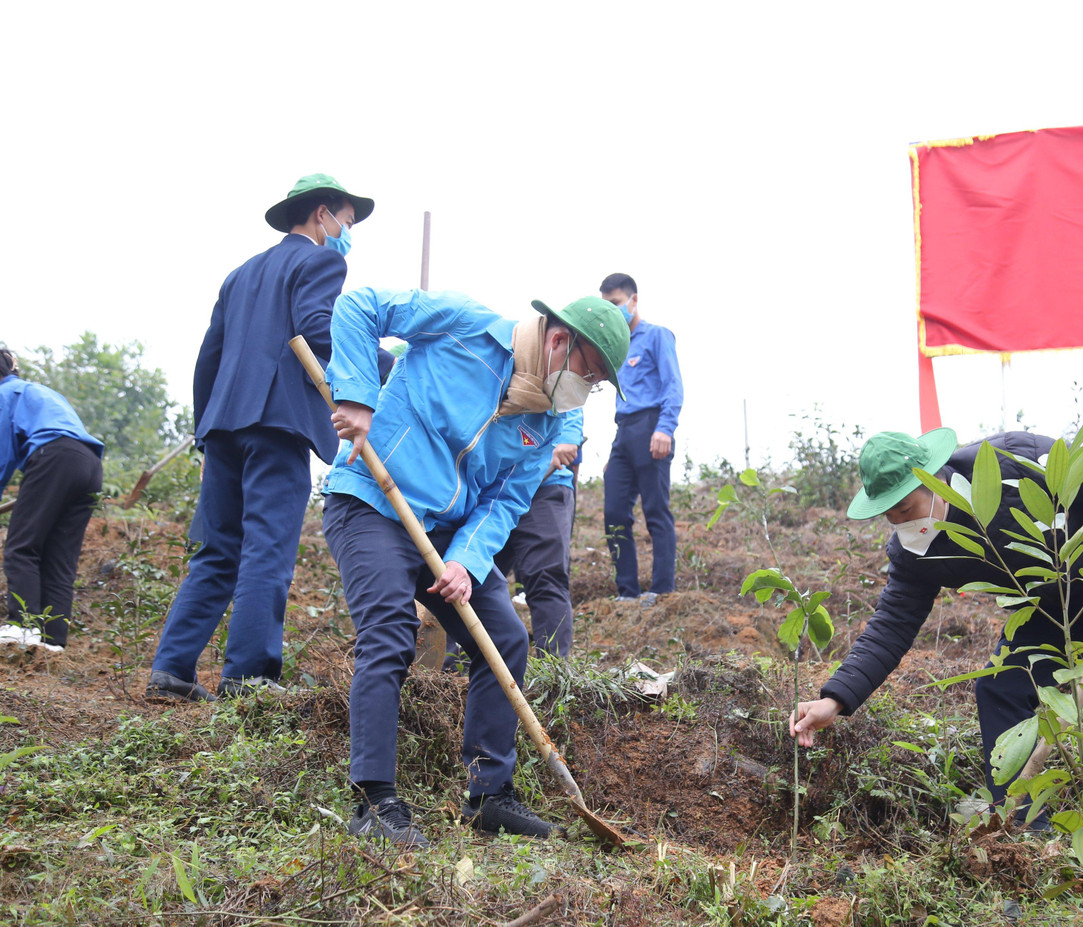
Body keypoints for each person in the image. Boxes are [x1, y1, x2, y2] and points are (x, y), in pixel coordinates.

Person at [790, 429, 1083, 893]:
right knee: (1000, 689)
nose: (901, 522)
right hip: (1043, 607)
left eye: (906, 507)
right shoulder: (915, 550)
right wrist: (835, 699)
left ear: (934, 479)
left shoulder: (1008, 461)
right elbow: (892, 624)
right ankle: (1024, 835)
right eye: (889, 514)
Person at [320, 289, 628, 847]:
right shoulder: (464, 326)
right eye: (590, 374)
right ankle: (373, 800)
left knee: (505, 639)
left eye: (598, 383)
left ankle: (489, 797)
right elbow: (360, 305)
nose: (588, 389)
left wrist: (465, 559)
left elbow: (506, 500)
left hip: (446, 534)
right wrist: (358, 397)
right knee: (389, 630)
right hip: (372, 501)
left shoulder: (545, 419)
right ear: (560, 341)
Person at [146, 173, 389, 703]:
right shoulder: (321, 261)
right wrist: (389, 365)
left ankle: (171, 671)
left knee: (217, 550)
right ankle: (249, 677)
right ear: (322, 215)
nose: (349, 233)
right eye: (348, 222)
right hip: (278, 423)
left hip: (223, 425)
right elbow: (320, 328)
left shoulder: (240, 274)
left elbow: (209, 356)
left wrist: (205, 432)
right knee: (267, 548)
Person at [0, 347, 104, 653]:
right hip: (89, 465)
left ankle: (23, 626)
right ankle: (52, 640)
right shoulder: (38, 391)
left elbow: (3, 455)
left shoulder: (5, 394)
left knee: (21, 547)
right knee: (59, 558)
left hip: (54, 457)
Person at [599, 273, 683, 604]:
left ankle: (662, 590)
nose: (613, 311)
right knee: (614, 512)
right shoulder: (616, 347)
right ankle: (628, 592)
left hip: (651, 426)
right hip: (624, 431)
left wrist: (665, 428)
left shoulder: (657, 336)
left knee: (655, 510)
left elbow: (673, 385)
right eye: (606, 306)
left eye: (616, 303)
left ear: (633, 300)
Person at [494, 413, 583, 656]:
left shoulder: (557, 387)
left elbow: (571, 401)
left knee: (546, 578)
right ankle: (459, 667)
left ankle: (551, 669)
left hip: (544, 488)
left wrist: (567, 438)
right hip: (494, 491)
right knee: (471, 579)